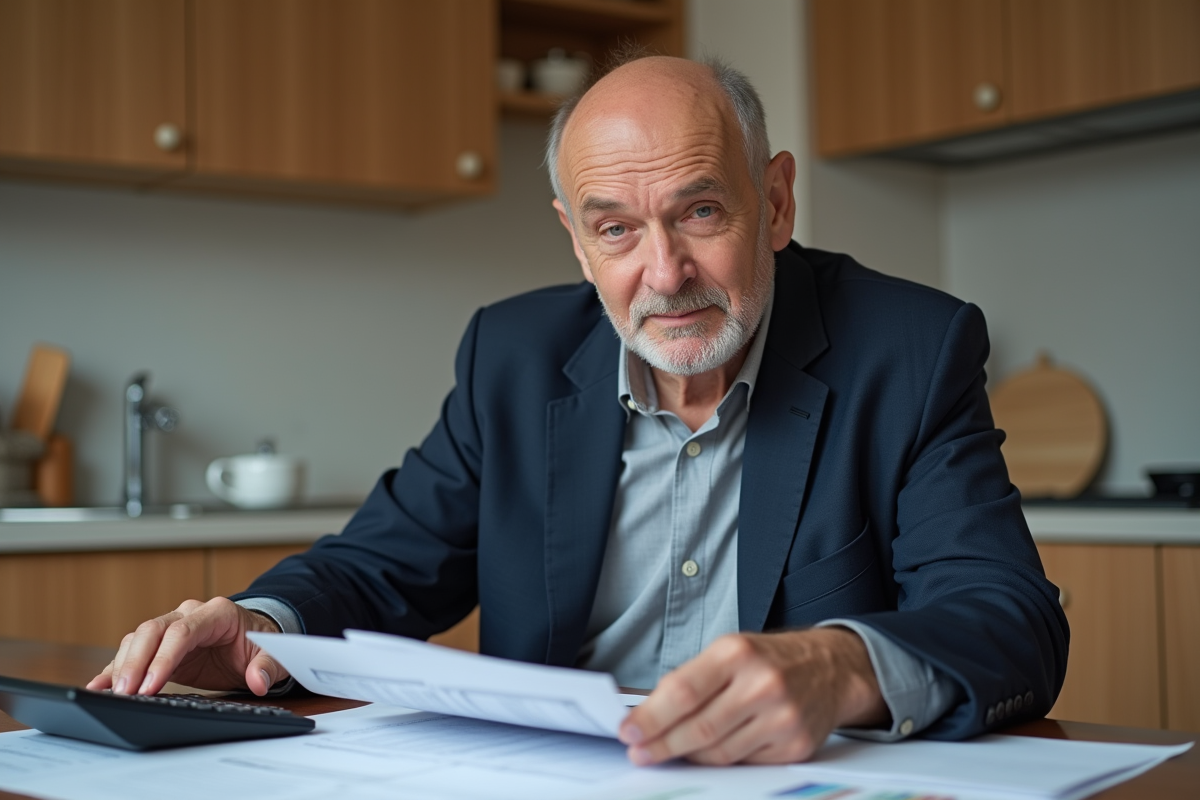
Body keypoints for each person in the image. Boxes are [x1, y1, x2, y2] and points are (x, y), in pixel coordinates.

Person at [88, 55, 1068, 766]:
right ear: (575, 239)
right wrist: (261, 622)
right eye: (616, 229)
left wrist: (841, 663)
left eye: (700, 212)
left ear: (775, 203)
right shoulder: (512, 357)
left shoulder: (912, 347)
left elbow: (1010, 620)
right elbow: (379, 566)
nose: (665, 273)